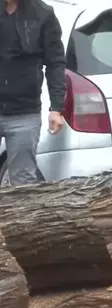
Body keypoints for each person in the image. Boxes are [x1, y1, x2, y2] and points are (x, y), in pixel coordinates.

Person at [0, 0, 65, 186]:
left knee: (23, 182)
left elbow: (55, 62)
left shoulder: (43, 13)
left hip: (24, 113)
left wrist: (57, 108)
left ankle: (20, 216)